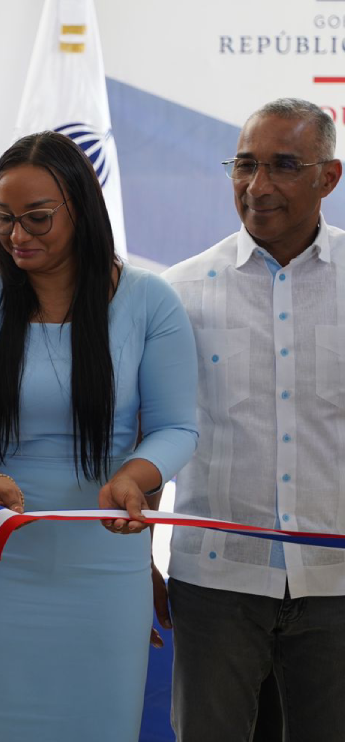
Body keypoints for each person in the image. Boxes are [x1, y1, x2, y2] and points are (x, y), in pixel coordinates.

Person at [0, 131, 199, 739]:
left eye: (38, 218)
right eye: (3, 218)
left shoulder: (149, 301)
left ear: (82, 210)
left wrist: (135, 477)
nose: (17, 235)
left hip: (103, 561)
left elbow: (177, 428)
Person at [161, 98, 345, 741]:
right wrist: (135, 570)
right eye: (244, 166)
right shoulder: (179, 293)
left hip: (337, 590)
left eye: (283, 166)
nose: (256, 186)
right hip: (217, 586)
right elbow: (153, 435)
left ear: (329, 178)